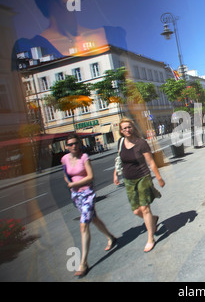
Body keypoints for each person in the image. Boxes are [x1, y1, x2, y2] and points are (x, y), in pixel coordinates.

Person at [61, 133, 116, 277]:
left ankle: (83, 263)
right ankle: (111, 237)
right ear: (66, 146)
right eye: (71, 144)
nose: (74, 146)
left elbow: (90, 176)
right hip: (76, 196)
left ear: (80, 144)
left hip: (87, 194)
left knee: (83, 224)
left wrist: (74, 183)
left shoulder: (84, 158)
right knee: (94, 219)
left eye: (76, 143)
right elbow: (66, 175)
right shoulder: (64, 159)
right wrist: (69, 184)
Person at [113, 118, 165, 252]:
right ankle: (152, 219)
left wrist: (159, 178)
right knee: (136, 211)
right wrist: (115, 174)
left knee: (145, 208)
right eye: (124, 128)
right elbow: (120, 159)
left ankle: (150, 238)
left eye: (129, 127)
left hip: (143, 177)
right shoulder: (121, 142)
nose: (127, 130)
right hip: (128, 180)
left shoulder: (141, 143)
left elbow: (151, 162)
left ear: (133, 128)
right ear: (121, 131)